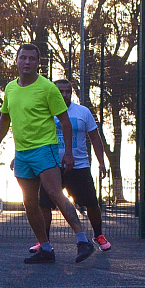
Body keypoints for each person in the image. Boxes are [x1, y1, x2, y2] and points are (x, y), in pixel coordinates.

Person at [0, 43, 94, 264]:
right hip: (22, 153)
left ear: (38, 63)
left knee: (55, 193)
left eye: (32, 59)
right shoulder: (10, 89)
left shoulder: (47, 88)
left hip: (45, 148)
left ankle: (83, 240)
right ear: (16, 60)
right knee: (29, 202)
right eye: (23, 57)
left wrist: (69, 154)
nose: (27, 62)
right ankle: (45, 248)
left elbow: (64, 121)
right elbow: (5, 118)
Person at [33, 77, 112, 254]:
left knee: (91, 203)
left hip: (79, 166)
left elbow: (95, 138)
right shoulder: (44, 112)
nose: (65, 94)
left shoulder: (83, 112)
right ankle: (43, 242)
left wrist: (101, 162)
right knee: (44, 205)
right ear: (53, 92)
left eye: (68, 91)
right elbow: (33, 137)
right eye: (60, 91)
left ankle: (98, 235)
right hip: (51, 166)